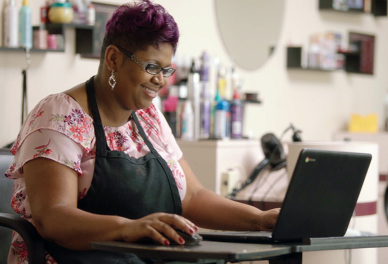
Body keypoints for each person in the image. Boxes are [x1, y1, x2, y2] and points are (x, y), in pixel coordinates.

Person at [5, 1, 280, 263]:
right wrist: (128, 228)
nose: (160, 80)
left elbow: (192, 197)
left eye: (166, 70)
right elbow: (53, 218)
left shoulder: (148, 118)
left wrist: (259, 219)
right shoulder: (60, 116)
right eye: (151, 67)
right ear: (113, 58)